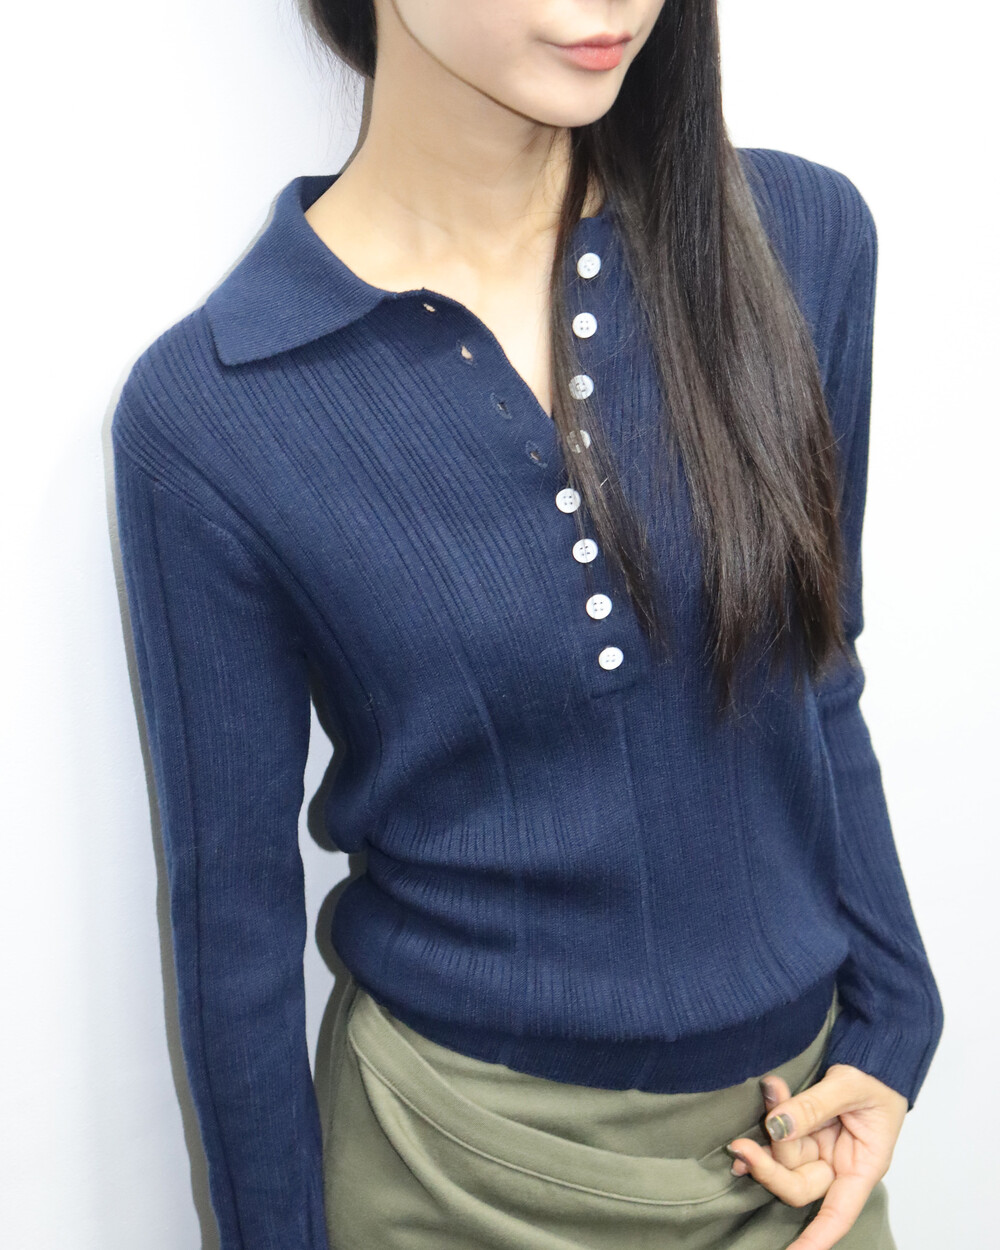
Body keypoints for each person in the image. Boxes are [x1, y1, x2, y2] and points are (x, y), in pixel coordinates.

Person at [110, 2, 944, 1248]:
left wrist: (895, 1018)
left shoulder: (795, 240)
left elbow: (817, 664)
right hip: (449, 1175)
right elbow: (232, 920)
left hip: (793, 1147)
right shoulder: (216, 410)